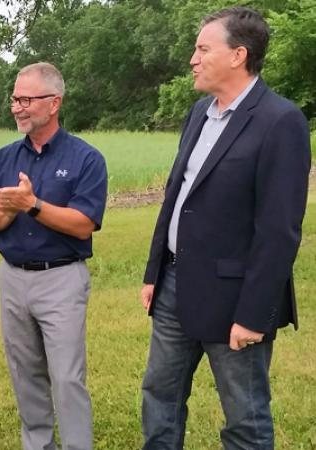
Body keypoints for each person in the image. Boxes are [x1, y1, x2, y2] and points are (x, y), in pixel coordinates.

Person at [139, 7, 311, 449]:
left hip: (235, 297)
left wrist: (253, 315)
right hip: (175, 285)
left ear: (238, 55)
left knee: (244, 417)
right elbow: (177, 196)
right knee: (160, 395)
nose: (192, 59)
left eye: (202, 49)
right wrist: (154, 271)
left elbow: (279, 231)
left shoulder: (281, 121)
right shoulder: (199, 112)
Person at [0, 62, 107, 450]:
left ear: (54, 103)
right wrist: (11, 209)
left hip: (61, 279)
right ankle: (38, 444)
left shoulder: (86, 158)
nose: (17, 107)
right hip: (12, 277)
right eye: (15, 99)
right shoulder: (4, 159)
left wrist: (32, 204)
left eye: (26, 99)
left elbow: (83, 224)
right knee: (25, 372)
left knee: (66, 375)